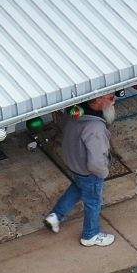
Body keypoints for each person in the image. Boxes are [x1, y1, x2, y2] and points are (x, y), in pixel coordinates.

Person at [45, 96, 118, 246]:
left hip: (74, 164)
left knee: (77, 189)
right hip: (89, 171)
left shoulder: (75, 112)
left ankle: (56, 216)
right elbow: (96, 161)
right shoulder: (95, 128)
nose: (114, 99)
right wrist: (103, 173)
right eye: (110, 97)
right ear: (97, 101)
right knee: (93, 202)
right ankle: (90, 235)